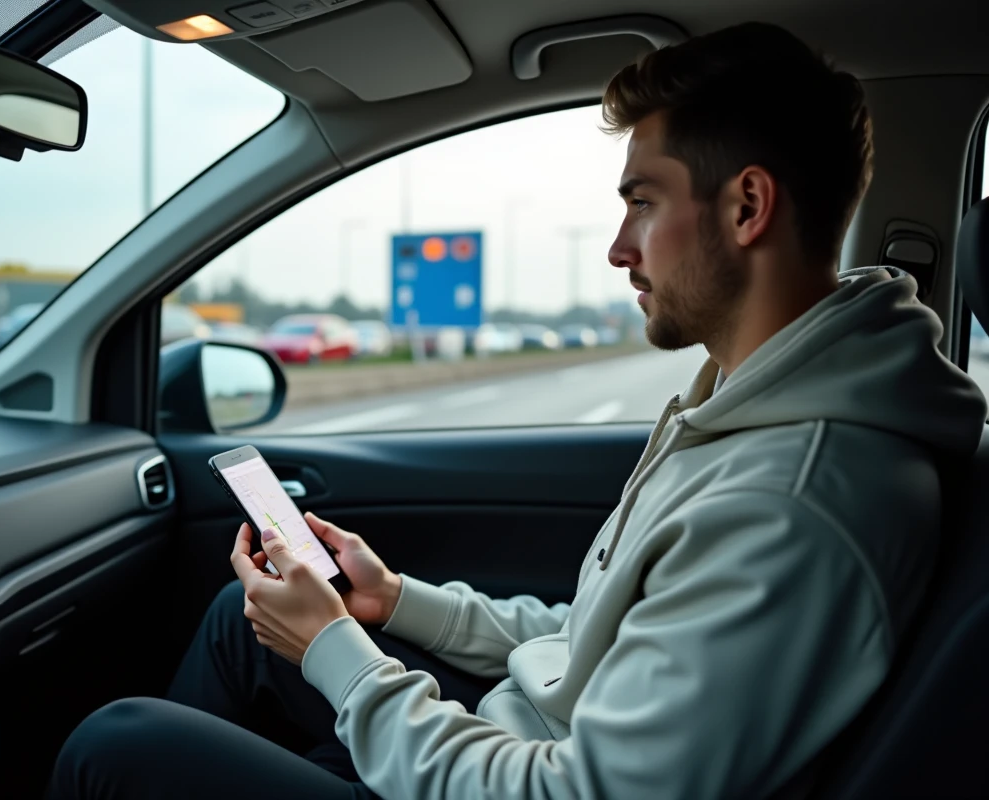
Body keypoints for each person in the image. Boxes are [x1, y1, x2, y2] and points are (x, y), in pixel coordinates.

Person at [48, 21, 987, 800]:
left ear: (747, 207)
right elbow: (592, 640)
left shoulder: (793, 500)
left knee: (114, 742)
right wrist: (394, 604)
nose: (619, 248)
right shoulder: (750, 407)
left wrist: (337, 651)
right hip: (522, 732)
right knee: (236, 623)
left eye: (643, 203)